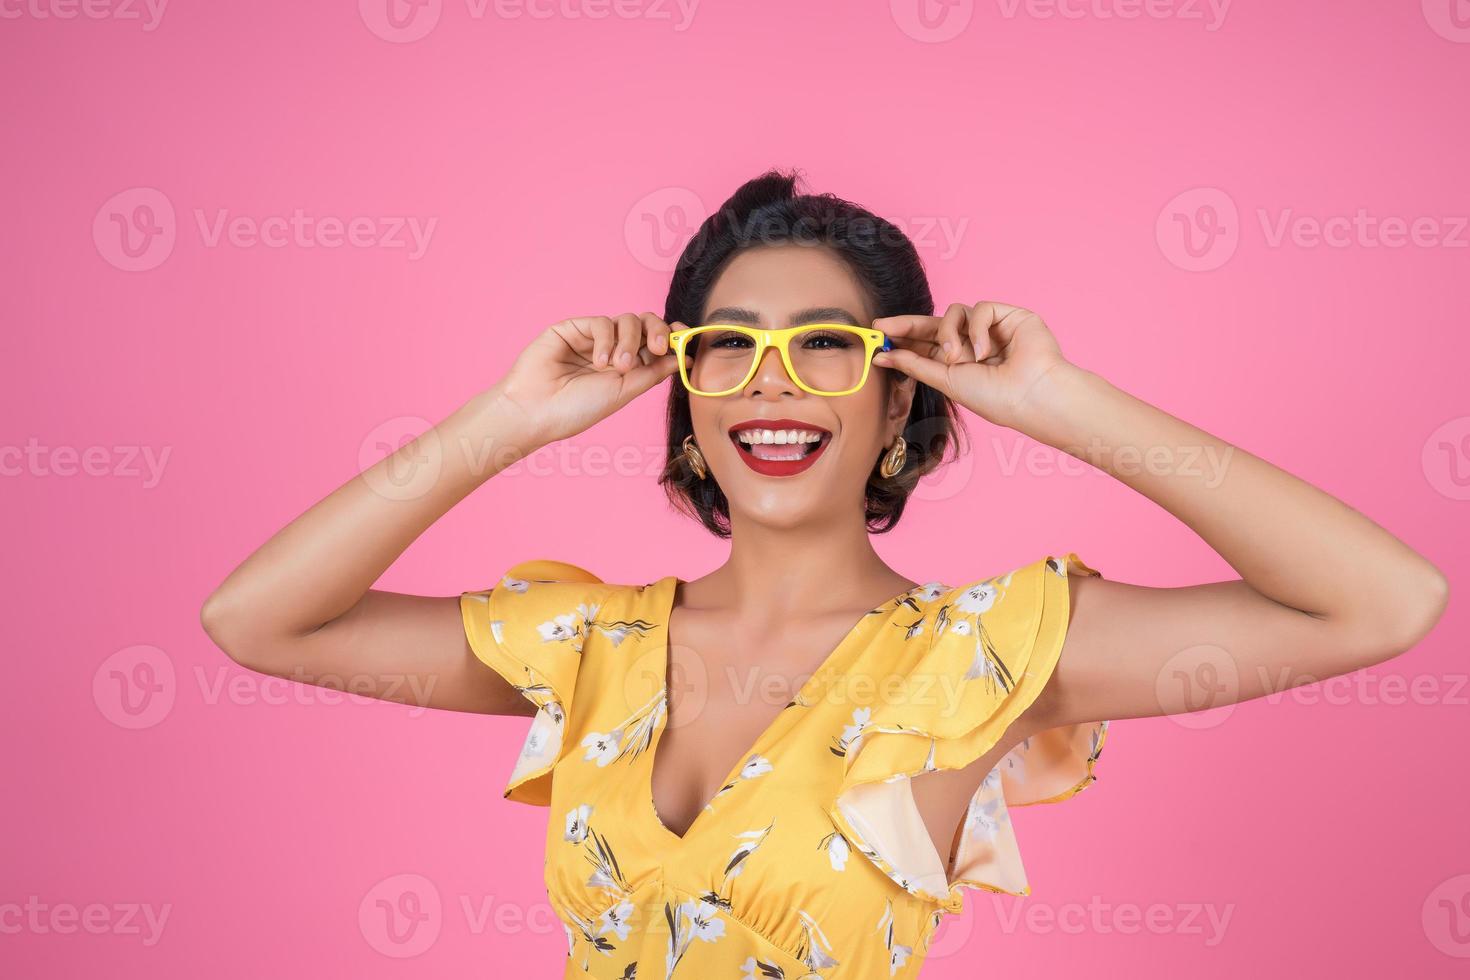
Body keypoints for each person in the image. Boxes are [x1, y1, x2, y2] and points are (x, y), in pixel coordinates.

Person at [200, 170, 1449, 978]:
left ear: (900, 393)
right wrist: (513, 416)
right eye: (729, 348)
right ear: (685, 394)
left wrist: (1059, 399)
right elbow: (257, 621)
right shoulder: (588, 641)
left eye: (827, 348)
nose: (774, 383)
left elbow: (1382, 601)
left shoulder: (983, 654)